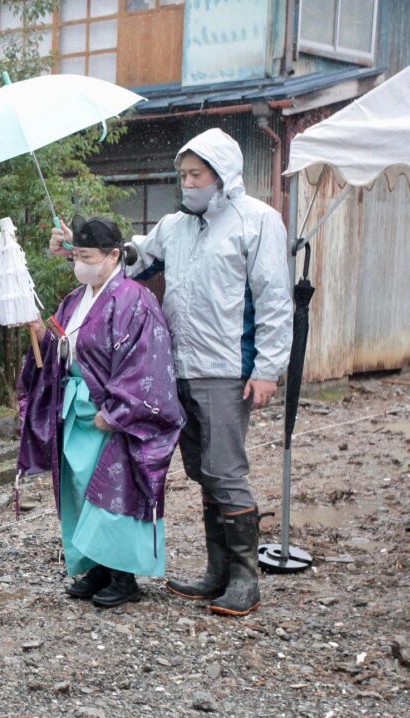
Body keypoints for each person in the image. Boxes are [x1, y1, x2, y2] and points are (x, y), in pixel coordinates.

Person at [52, 128, 292, 617]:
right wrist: (79, 247)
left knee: (226, 470)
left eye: (195, 175)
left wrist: (268, 368)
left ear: (222, 176)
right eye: (182, 175)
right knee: (201, 472)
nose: (187, 183)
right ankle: (215, 573)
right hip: (177, 367)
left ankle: (245, 580)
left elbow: (273, 298)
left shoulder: (257, 222)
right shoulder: (176, 225)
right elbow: (133, 256)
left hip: (227, 367)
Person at [23, 216, 184, 607]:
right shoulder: (76, 299)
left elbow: (147, 362)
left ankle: (123, 576)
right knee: (81, 492)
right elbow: (59, 348)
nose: (81, 263)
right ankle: (95, 567)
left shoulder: (135, 299)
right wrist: (35, 329)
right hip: (75, 406)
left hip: (111, 413)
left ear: (114, 256)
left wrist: (117, 412)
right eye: (76, 256)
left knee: (115, 493)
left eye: (88, 256)